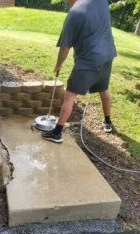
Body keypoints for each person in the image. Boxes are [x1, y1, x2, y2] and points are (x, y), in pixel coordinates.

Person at [42, 0, 116, 143]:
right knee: (104, 90)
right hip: (108, 56)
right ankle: (108, 122)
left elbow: (64, 48)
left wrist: (58, 65)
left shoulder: (74, 14)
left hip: (88, 60)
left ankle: (56, 132)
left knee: (69, 95)